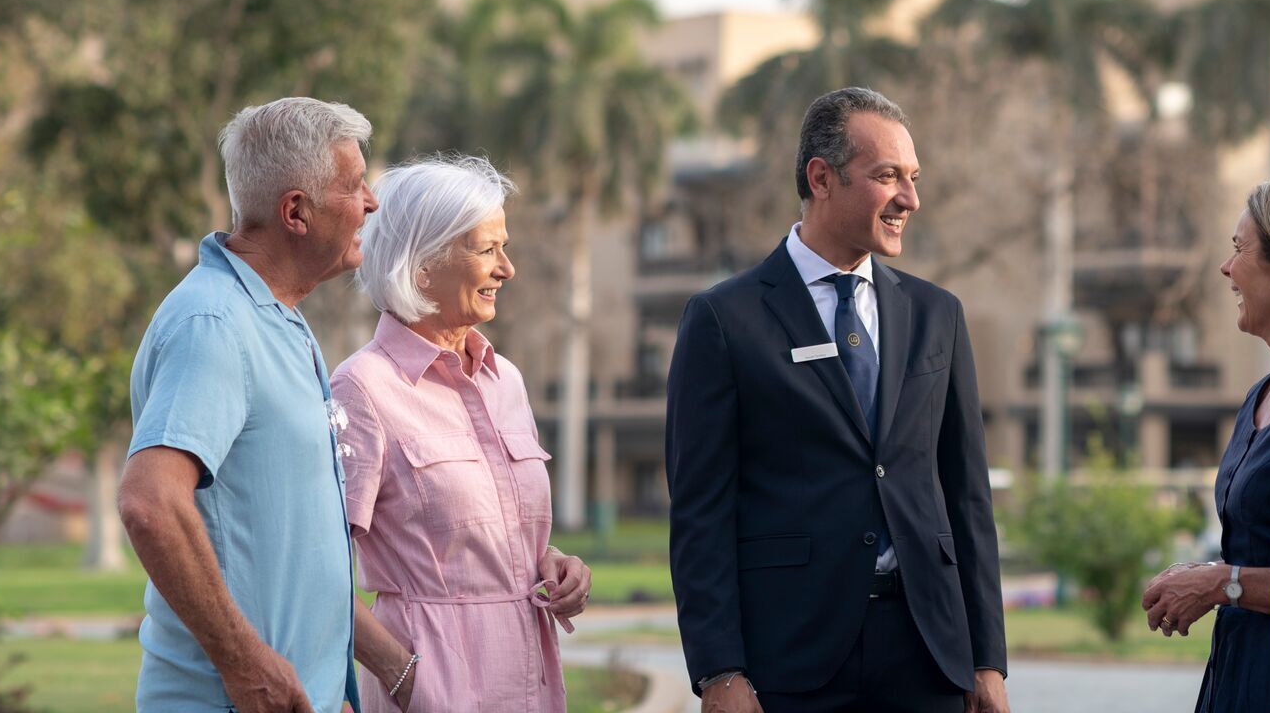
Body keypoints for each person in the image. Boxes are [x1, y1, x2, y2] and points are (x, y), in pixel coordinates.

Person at [666, 87, 1009, 713]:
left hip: (929, 656)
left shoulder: (939, 315)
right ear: (821, 178)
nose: (910, 199)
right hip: (789, 661)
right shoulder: (723, 318)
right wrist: (719, 670)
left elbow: (966, 499)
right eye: (887, 177)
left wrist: (987, 659)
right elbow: (700, 513)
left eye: (912, 177)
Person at [118, 97, 410, 713]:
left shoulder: (277, 319)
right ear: (296, 212)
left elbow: (292, 551)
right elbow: (151, 502)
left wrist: (396, 674)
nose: (372, 202)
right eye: (355, 185)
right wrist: (247, 666)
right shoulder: (215, 323)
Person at [329, 154, 592, 713]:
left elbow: (491, 537)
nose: (507, 268)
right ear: (422, 265)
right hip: (432, 692)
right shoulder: (362, 387)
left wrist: (554, 565)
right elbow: (316, 569)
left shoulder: (508, 381)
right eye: (487, 249)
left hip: (532, 689)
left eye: (505, 247)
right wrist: (407, 680)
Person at [1141, 178, 1270, 712]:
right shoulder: (1260, 394)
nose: (1226, 269)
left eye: (1239, 249)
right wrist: (1206, 574)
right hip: (1232, 670)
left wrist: (1221, 585)